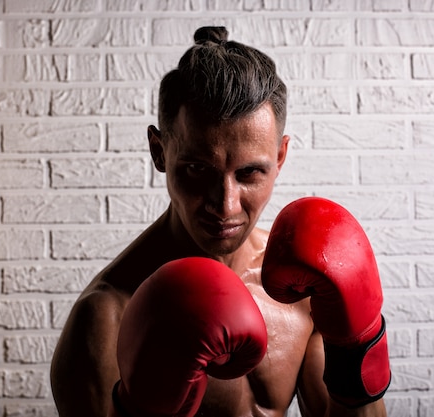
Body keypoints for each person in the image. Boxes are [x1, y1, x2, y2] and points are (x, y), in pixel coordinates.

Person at [50, 26, 390, 417]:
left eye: (249, 173)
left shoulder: (307, 288)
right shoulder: (107, 319)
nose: (225, 205)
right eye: (197, 169)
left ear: (279, 158)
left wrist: (358, 344)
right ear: (159, 152)